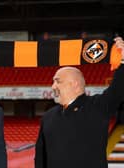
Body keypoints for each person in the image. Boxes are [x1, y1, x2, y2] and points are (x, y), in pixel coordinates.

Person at [35, 36, 124, 168]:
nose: (53, 86)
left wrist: (122, 60)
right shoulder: (48, 116)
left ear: (74, 84)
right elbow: (41, 158)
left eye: (58, 81)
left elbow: (118, 88)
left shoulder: (97, 106)